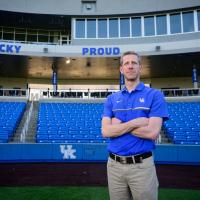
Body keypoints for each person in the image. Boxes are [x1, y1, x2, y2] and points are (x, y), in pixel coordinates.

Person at [101, 51, 168, 200]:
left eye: (134, 63)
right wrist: (135, 122)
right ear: (121, 69)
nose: (130, 66)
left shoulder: (155, 95)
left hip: (142, 167)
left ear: (140, 67)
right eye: (126, 63)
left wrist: (118, 126)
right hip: (114, 166)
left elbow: (152, 133)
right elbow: (106, 131)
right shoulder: (111, 99)